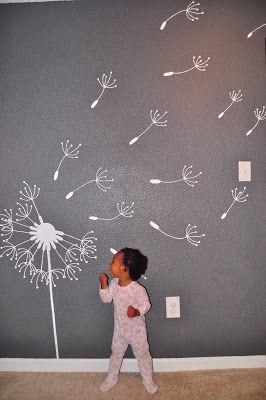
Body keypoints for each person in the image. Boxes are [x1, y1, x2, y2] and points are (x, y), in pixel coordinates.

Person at [98, 248, 158, 394]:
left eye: (113, 261)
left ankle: (147, 379)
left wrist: (137, 311)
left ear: (124, 268)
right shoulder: (114, 283)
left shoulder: (137, 289)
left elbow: (146, 304)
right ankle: (112, 377)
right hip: (120, 330)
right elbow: (106, 299)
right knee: (116, 354)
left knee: (143, 355)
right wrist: (104, 284)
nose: (109, 263)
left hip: (136, 332)